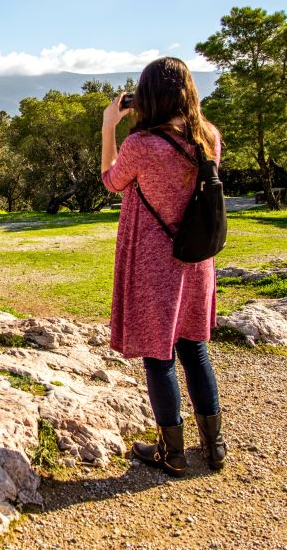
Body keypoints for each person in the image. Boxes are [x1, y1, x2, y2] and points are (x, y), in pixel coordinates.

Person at [100, 57, 226, 477]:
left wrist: (108, 129)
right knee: (194, 348)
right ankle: (214, 447)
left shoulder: (141, 145)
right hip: (196, 260)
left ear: (148, 95)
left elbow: (111, 181)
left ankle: (172, 451)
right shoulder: (209, 137)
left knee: (159, 355)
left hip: (156, 262)